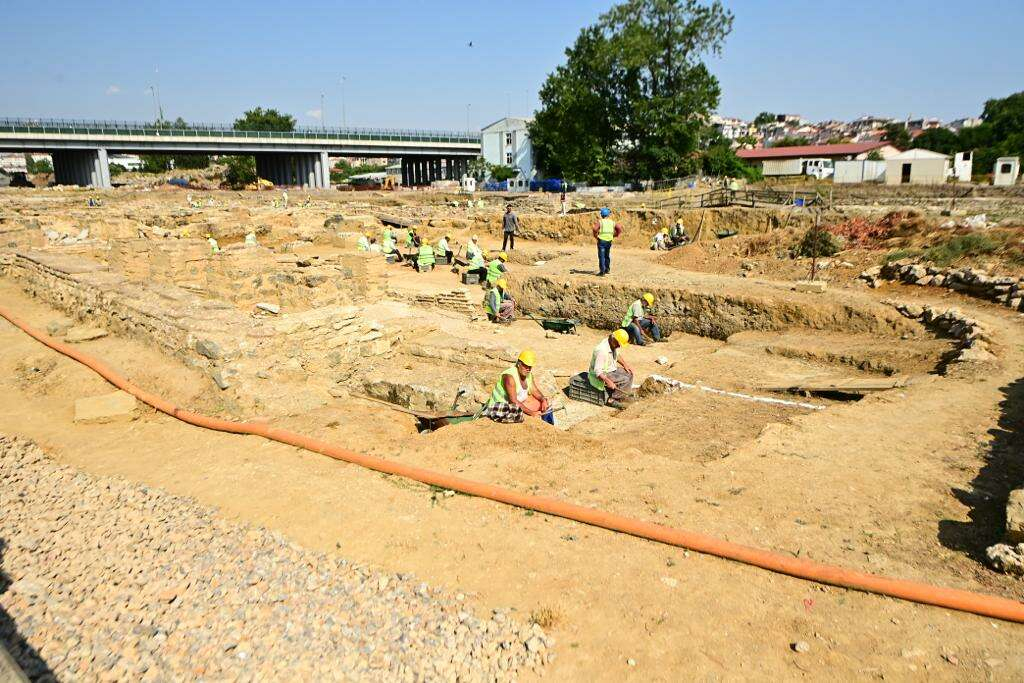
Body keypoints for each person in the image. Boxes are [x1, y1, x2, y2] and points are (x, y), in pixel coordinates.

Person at [481, 349, 551, 423]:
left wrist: (543, 399)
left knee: (544, 405)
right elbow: (513, 401)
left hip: (516, 404)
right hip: (499, 406)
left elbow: (535, 390)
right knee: (517, 413)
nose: (528, 369)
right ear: (519, 363)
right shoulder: (509, 377)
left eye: (530, 366)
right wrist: (531, 413)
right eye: (525, 365)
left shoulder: (529, 375)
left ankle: (549, 427)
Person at [588, 329, 635, 409]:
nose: (619, 346)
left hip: (611, 369)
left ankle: (623, 395)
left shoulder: (612, 344)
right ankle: (612, 400)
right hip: (602, 374)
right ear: (613, 339)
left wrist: (625, 364)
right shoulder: (602, 350)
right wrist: (608, 381)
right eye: (618, 344)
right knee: (624, 380)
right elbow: (598, 372)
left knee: (630, 374)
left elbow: (617, 355)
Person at [593, 207, 621, 276]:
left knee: (601, 256)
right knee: (607, 255)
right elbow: (619, 228)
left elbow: (595, 229)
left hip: (601, 241)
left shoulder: (601, 222)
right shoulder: (612, 222)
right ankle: (607, 269)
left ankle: (602, 272)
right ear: (608, 215)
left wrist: (596, 236)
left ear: (602, 215)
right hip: (609, 241)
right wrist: (615, 235)